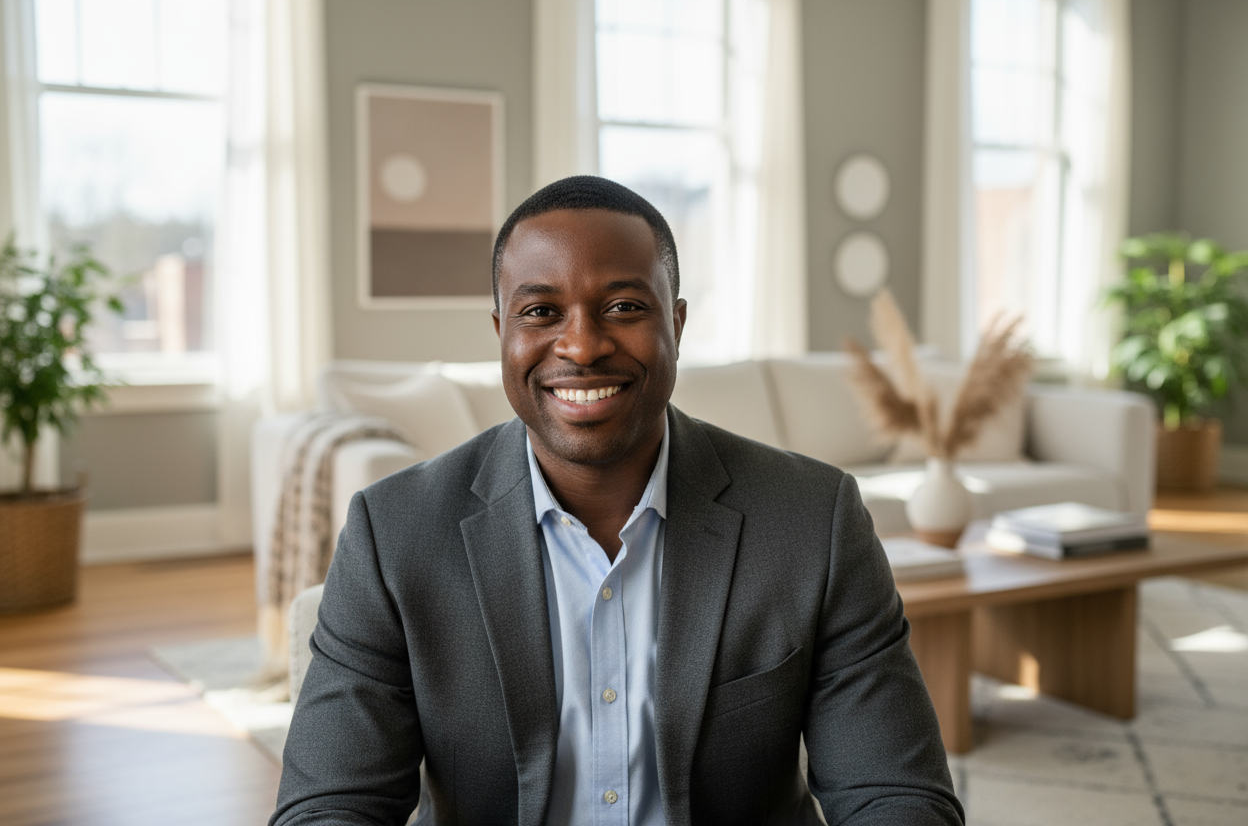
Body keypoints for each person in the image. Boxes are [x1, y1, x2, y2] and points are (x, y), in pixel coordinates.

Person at [271, 176, 964, 826]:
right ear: (501, 335)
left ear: (678, 324)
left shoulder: (815, 519)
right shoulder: (394, 534)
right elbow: (331, 806)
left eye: (625, 307)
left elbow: (895, 795)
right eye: (541, 311)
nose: (582, 344)